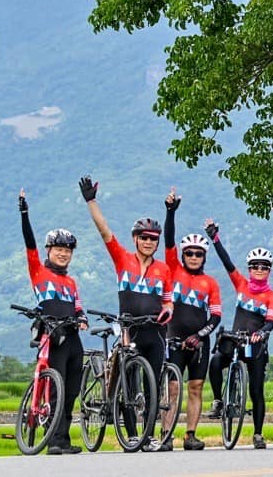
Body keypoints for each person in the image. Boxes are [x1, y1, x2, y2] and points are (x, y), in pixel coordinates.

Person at [78, 175, 172, 450]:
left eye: (153, 239)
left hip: (154, 329)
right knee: (128, 382)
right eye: (144, 237)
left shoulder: (163, 269)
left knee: (152, 383)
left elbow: (168, 301)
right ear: (135, 239)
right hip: (128, 328)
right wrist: (91, 200)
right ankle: (132, 434)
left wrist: (167, 310)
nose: (148, 242)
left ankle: (149, 435)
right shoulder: (122, 258)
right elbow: (104, 230)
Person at [18, 189, 87, 455]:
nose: (63, 254)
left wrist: (81, 319)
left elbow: (79, 308)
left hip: (72, 338)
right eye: (59, 249)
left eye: (67, 250)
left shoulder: (71, 282)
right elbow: (29, 244)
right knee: (55, 390)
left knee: (71, 392)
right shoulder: (39, 271)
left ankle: (63, 440)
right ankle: (52, 440)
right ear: (49, 250)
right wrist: (24, 212)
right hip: (51, 336)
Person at [204, 219, 273, 450]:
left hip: (255, 343)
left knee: (256, 390)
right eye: (255, 266)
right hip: (235, 339)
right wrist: (214, 238)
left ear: (269, 271)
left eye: (264, 267)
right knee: (215, 361)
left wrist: (261, 334)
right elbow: (227, 263)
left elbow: (270, 322)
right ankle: (218, 400)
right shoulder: (241, 284)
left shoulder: (271, 296)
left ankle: (257, 433)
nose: (259, 270)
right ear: (249, 269)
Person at [162, 189, 221, 450]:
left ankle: (190, 435)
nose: (193, 257)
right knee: (172, 390)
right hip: (173, 339)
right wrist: (170, 212)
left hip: (199, 343)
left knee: (196, 389)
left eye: (198, 254)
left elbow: (216, 316)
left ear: (204, 257)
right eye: (190, 254)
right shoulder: (173, 269)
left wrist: (200, 336)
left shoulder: (210, 283)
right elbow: (169, 241)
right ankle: (165, 435)